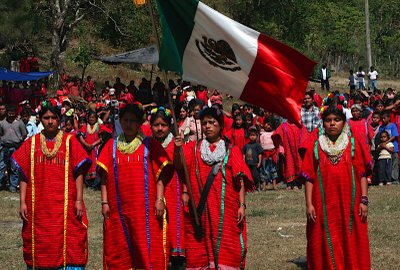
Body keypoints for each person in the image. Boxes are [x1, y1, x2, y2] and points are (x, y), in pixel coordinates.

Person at [12, 99, 91, 269]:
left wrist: (78, 200)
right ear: (40, 119)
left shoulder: (70, 142)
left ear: (59, 119)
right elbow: (23, 174)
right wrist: (22, 202)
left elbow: (79, 172)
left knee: (72, 239)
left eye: (53, 117)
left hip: (66, 205)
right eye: (46, 117)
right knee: (39, 243)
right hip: (39, 207)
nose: (50, 121)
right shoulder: (31, 144)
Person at [97, 102, 174, 269]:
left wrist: (159, 199)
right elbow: (104, 177)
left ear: (140, 123)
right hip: (118, 209)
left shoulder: (150, 145)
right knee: (119, 249)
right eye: (125, 120)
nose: (128, 124)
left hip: (144, 212)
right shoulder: (111, 146)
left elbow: (159, 176)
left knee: (146, 247)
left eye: (132, 120)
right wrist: (104, 202)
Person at [177, 106, 254, 270]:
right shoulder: (195, 147)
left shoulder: (231, 150)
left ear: (220, 125)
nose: (207, 126)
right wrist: (178, 149)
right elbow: (180, 165)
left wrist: (242, 205)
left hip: (227, 208)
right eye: (204, 123)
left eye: (212, 122)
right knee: (201, 245)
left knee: (227, 243)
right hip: (201, 208)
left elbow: (240, 180)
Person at [301, 100, 371, 270]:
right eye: (328, 120)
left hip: (350, 202)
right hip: (323, 203)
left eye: (337, 119)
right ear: (323, 122)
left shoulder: (353, 144)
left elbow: (362, 174)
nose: (332, 123)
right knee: (324, 233)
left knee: (350, 232)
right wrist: (309, 204)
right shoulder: (316, 145)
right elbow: (309, 177)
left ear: (343, 122)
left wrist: (364, 200)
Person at [150, 107, 186, 266]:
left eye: (163, 125)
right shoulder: (148, 144)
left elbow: (178, 166)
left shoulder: (174, 142)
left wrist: (178, 148)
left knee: (173, 222)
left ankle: (175, 258)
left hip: (172, 187)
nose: (159, 128)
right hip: (152, 188)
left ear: (169, 126)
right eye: (156, 125)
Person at [0, 104, 28, 192]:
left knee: (14, 168)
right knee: (1, 166)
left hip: (15, 148)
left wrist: (19, 141)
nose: (11, 115)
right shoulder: (2, 123)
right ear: (7, 113)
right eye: (9, 113)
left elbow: (24, 134)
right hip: (4, 148)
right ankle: (0, 184)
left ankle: (13, 186)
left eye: (13, 113)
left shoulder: (20, 123)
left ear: (15, 113)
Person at [77, 110, 102, 189]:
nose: (91, 119)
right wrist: (86, 144)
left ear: (96, 118)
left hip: (96, 150)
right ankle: (88, 183)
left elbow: (102, 138)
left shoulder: (99, 127)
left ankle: (96, 184)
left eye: (93, 117)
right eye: (90, 117)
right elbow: (80, 136)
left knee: (96, 165)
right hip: (87, 150)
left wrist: (92, 145)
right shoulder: (85, 127)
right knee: (88, 165)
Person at [377, 111, 399, 183]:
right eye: (382, 118)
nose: (383, 120)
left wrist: (385, 143)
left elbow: (394, 136)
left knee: (394, 163)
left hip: (393, 148)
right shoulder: (381, 127)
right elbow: (379, 137)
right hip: (384, 151)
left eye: (384, 118)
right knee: (386, 165)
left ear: (389, 118)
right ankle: (386, 179)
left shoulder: (392, 125)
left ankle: (394, 178)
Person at [260, 117, 278, 190]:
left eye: (270, 125)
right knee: (264, 169)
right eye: (267, 124)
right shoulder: (262, 134)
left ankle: (274, 185)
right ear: (264, 124)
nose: (268, 126)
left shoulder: (274, 133)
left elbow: (276, 143)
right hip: (265, 154)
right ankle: (264, 186)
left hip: (272, 153)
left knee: (273, 169)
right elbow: (261, 144)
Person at [243, 126, 263, 191]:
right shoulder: (246, 145)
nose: (252, 137)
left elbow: (260, 154)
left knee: (255, 175)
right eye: (251, 135)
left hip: (255, 163)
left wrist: (259, 162)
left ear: (257, 136)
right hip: (248, 163)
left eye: (254, 135)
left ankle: (258, 186)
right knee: (249, 176)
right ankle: (251, 188)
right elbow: (244, 154)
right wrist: (243, 163)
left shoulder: (257, 145)